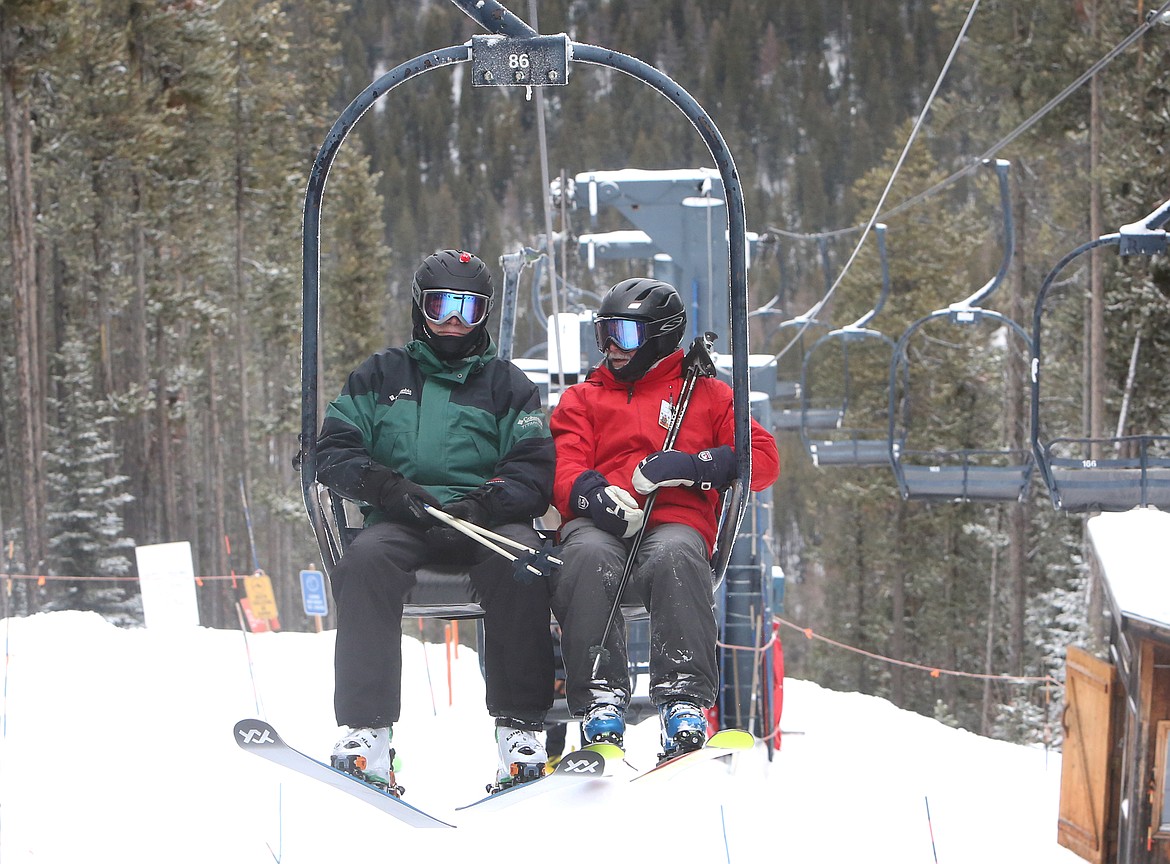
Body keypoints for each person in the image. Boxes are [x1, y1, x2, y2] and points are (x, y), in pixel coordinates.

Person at [315, 249, 556, 793]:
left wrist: (483, 504)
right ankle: (367, 730)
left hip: (483, 521)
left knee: (524, 565)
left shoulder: (506, 385)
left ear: (484, 315)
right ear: (421, 308)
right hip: (403, 515)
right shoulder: (380, 376)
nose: (453, 319)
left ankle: (520, 730)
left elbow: (533, 467)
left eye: (468, 309)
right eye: (442, 305)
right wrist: (385, 487)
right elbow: (333, 451)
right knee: (366, 561)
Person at [548, 277, 780, 759]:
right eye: (604, 333)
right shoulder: (583, 400)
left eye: (625, 335)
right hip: (602, 524)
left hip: (673, 521)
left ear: (660, 335)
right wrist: (591, 495)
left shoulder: (709, 396)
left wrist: (695, 467)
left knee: (677, 552)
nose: (611, 347)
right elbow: (562, 464)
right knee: (586, 554)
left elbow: (763, 458)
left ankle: (682, 699)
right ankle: (599, 698)